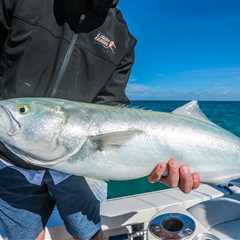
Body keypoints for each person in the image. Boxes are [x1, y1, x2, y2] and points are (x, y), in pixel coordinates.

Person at [0, 0, 200, 239]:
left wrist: (156, 159)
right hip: (9, 159)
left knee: (92, 233)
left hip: (83, 166)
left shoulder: (122, 38)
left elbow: (110, 107)